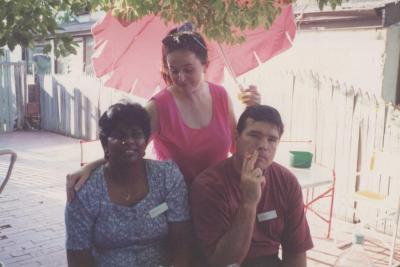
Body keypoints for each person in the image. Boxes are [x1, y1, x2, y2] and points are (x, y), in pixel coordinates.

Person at [66, 23, 260, 200]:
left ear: (205, 65)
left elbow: (237, 148)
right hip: (177, 203)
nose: (180, 78)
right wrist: (91, 167)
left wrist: (253, 113)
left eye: (188, 69)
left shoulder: (221, 96)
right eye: (173, 70)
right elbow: (128, 149)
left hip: (219, 197)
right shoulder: (158, 107)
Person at [65, 102, 192, 267]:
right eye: (119, 135)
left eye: (136, 134)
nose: (129, 141)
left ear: (146, 142)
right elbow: (78, 259)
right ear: (105, 145)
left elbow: (182, 243)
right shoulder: (85, 191)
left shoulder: (167, 177)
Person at [190, 105, 313, 267]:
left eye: (272, 139)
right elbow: (223, 262)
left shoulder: (287, 182)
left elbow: (296, 250)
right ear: (236, 137)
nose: (263, 145)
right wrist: (248, 203)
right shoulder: (209, 185)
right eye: (254, 135)